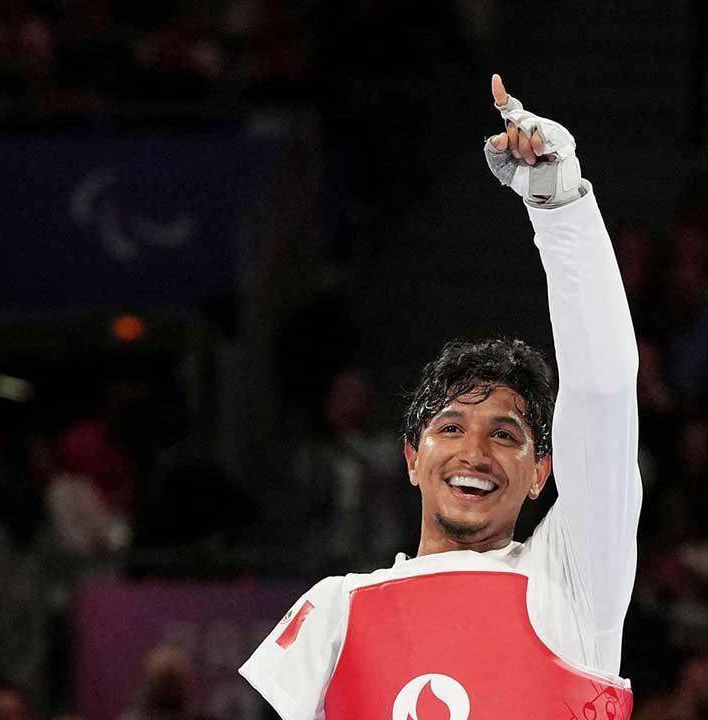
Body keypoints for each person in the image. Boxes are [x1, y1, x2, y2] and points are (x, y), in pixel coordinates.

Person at [240, 74, 643, 718]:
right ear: (411, 457)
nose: (474, 452)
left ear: (542, 472)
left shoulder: (572, 584)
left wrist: (559, 205)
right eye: (450, 427)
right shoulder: (336, 612)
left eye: (505, 434)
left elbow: (604, 388)